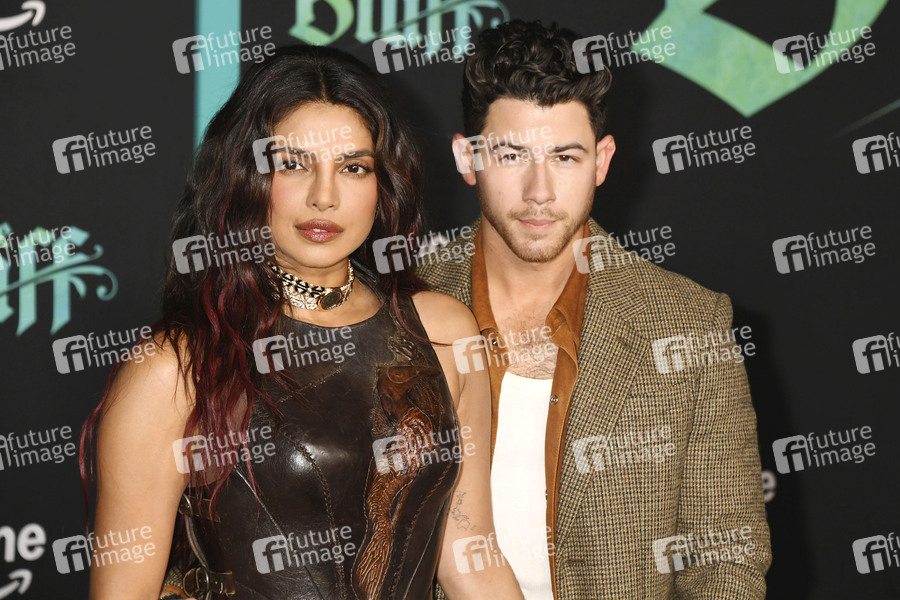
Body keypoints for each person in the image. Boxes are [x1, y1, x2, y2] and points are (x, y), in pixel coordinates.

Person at [79, 45, 524, 600]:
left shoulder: (444, 332)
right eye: (292, 164)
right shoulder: (175, 367)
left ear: (383, 183)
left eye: (353, 167)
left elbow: (471, 560)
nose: (324, 197)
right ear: (245, 176)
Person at [419, 20, 772, 599]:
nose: (539, 191)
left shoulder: (689, 323)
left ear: (602, 161)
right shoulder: (401, 306)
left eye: (565, 156)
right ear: (467, 157)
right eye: (511, 154)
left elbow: (725, 562)